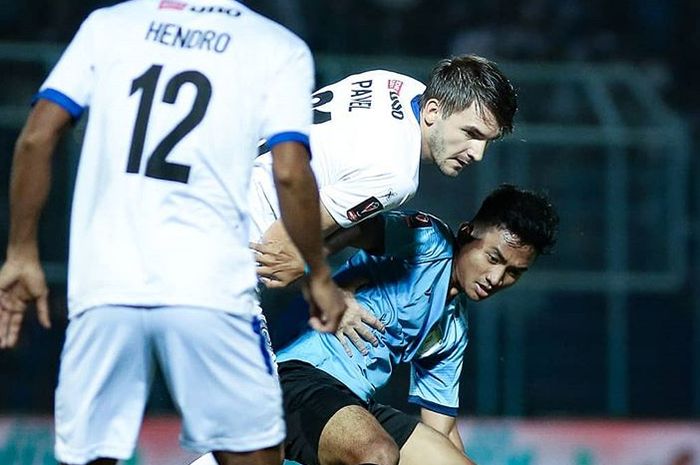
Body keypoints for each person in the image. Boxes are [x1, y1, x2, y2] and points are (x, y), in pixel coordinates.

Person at [0, 2, 346, 465]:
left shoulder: (110, 25)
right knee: (256, 455)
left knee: (90, 455)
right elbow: (289, 172)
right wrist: (318, 275)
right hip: (209, 288)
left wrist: (21, 251)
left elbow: (37, 138)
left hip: (106, 284)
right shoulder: (277, 47)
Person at [194, 184, 559, 465]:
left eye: (514, 272)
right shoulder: (427, 240)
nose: (497, 277)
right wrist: (319, 281)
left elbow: (441, 429)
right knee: (377, 453)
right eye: (493, 257)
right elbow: (355, 229)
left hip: (352, 406)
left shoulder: (453, 331)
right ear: (467, 233)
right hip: (294, 379)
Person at [249, 54, 518, 290]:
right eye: (471, 133)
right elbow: (277, 245)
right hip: (242, 224)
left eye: (487, 141)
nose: (477, 153)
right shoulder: (396, 175)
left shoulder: (394, 83)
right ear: (433, 111)